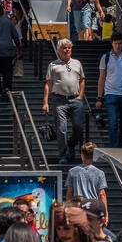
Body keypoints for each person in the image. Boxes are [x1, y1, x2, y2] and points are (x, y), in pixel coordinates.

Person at [43, 37, 87, 166]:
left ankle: (71, 145)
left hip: (75, 99)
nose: (67, 50)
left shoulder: (77, 63)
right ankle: (63, 154)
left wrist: (80, 96)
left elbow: (82, 80)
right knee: (62, 129)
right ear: (59, 50)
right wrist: (45, 102)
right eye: (64, 48)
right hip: (59, 100)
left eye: (69, 47)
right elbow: (48, 84)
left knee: (78, 127)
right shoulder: (53, 65)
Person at [66, 144, 109, 220]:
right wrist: (105, 214)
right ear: (94, 155)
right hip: (94, 208)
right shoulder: (100, 173)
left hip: (78, 207)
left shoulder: (72, 172)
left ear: (82, 155)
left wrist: (68, 210)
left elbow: (69, 194)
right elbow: (102, 195)